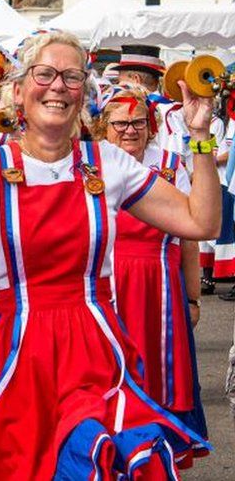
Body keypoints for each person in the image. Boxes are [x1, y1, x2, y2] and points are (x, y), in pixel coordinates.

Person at [0, 30, 216, 478]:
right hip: (17, 353)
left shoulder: (107, 162)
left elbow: (200, 223)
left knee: (92, 452)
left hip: (92, 348)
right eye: (45, 74)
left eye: (72, 77)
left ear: (83, 93)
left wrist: (200, 136)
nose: (58, 86)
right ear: (18, 90)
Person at [92, 85, 209, 452]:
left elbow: (190, 239)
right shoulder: (91, 164)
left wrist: (192, 298)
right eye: (120, 123)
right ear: (102, 126)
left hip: (159, 286)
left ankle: (158, 456)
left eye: (138, 122)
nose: (130, 130)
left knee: (159, 375)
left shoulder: (171, 166)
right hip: (106, 287)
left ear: (151, 125)